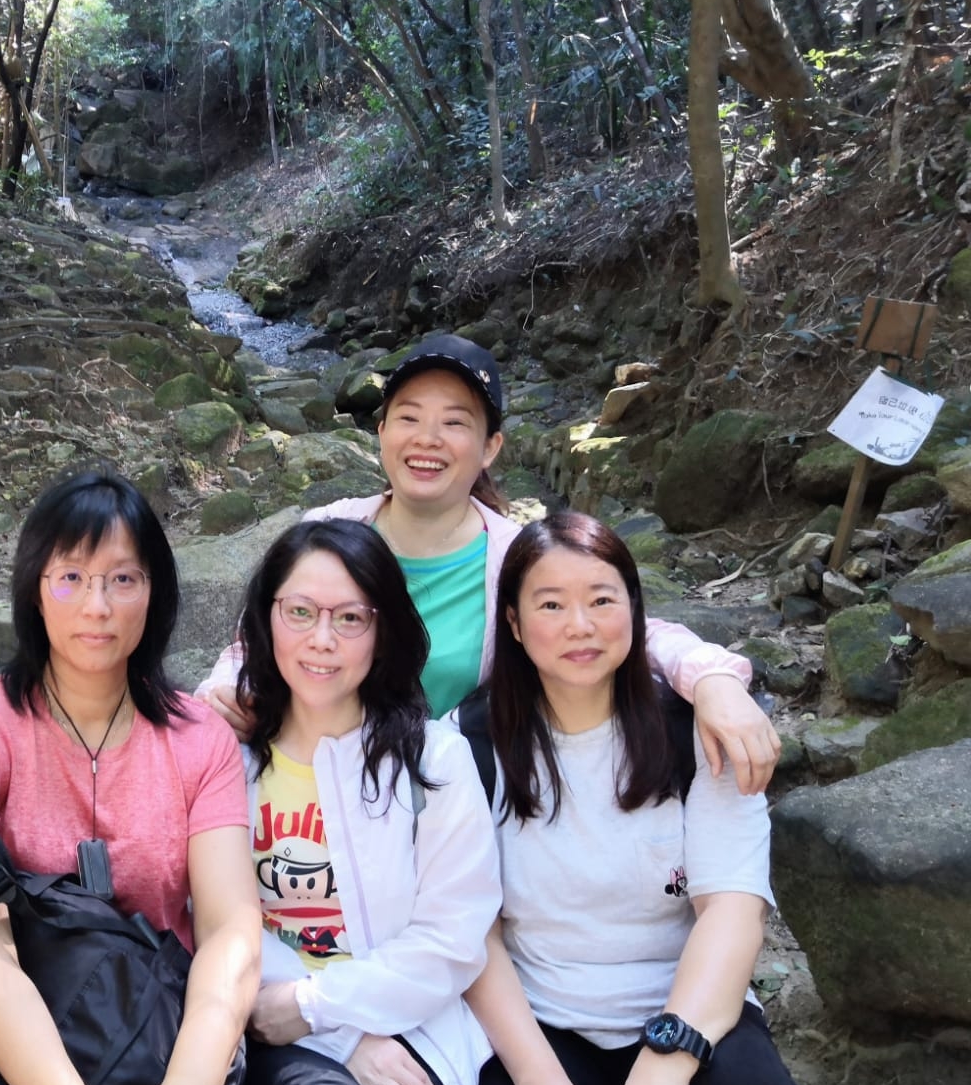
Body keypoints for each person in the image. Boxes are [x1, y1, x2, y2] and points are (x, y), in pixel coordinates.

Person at [198, 333, 781, 795]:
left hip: (451, 806)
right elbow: (254, 644)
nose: (427, 439)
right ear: (381, 431)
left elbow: (616, 627)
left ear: (491, 447)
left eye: (455, 422)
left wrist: (713, 679)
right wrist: (224, 690)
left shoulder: (513, 556)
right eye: (408, 417)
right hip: (311, 792)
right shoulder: (329, 528)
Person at [459, 511, 834, 1085]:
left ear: (635, 609)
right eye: (551, 605)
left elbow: (733, 911)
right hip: (540, 1021)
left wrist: (668, 1060)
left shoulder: (697, 731)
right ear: (513, 622)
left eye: (602, 600)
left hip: (690, 1004)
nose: (580, 626)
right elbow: (471, 932)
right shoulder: (469, 744)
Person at [0, 470, 262, 1085]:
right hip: (18, 1062)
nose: (97, 606)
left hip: (165, 1043)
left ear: (155, 592)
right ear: (34, 588)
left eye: (123, 579)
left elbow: (230, 926)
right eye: (70, 577)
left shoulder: (199, 740)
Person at [236, 519, 500, 1085]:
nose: (322, 639)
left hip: (413, 1031)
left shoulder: (433, 762)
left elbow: (452, 937)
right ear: (267, 618)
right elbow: (213, 916)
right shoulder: (228, 762)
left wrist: (323, 1011)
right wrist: (335, 1033)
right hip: (266, 1029)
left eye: (350, 618)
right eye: (300, 612)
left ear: (384, 631)